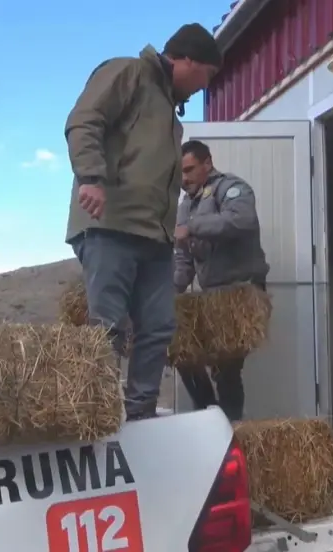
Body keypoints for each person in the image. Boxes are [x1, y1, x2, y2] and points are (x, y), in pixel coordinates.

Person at [65, 24, 222, 421]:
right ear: (188, 60)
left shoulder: (170, 111)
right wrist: (91, 177)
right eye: (207, 74)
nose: (205, 85)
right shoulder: (128, 72)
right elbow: (84, 120)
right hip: (111, 225)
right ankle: (97, 416)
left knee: (158, 327)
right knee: (108, 326)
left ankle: (140, 414)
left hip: (155, 236)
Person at [173, 139, 270, 421]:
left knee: (225, 367)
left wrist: (192, 227)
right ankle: (211, 417)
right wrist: (168, 291)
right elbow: (184, 260)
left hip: (240, 294)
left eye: (189, 170)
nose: (183, 179)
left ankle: (230, 428)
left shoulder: (231, 188)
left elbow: (242, 220)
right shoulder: (185, 206)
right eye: (179, 173)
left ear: (207, 163)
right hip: (211, 297)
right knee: (181, 352)